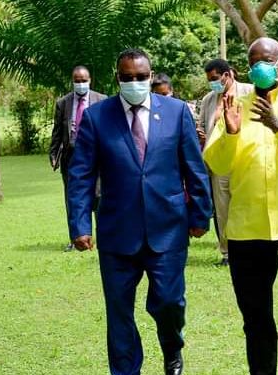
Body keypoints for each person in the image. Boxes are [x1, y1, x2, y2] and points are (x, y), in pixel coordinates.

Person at [68, 48, 212, 375]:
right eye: (128, 77)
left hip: (169, 229)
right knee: (119, 312)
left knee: (169, 303)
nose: (135, 82)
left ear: (150, 75)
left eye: (141, 77)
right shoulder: (96, 117)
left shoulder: (176, 112)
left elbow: (194, 167)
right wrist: (79, 224)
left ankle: (172, 350)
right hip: (117, 233)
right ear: (117, 78)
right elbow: (81, 176)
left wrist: (200, 215)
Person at [203, 37, 278, 375]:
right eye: (255, 59)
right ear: (246, 65)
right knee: (255, 314)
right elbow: (216, 162)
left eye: (268, 59)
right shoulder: (233, 103)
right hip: (248, 224)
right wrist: (229, 133)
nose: (262, 64)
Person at [197, 58, 253, 266]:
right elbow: (202, 125)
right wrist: (201, 134)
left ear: (227, 75)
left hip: (245, 161)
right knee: (223, 210)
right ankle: (228, 253)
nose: (213, 83)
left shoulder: (249, 91)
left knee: (246, 206)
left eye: (215, 79)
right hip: (218, 164)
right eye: (209, 80)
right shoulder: (208, 100)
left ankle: (251, 248)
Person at [49, 65, 106, 251]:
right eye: (77, 81)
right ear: (72, 81)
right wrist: (53, 154)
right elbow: (57, 133)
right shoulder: (63, 103)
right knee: (73, 197)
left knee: (99, 196)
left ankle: (102, 236)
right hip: (71, 156)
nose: (80, 84)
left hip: (97, 156)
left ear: (90, 81)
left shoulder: (101, 100)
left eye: (84, 81)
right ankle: (75, 238)